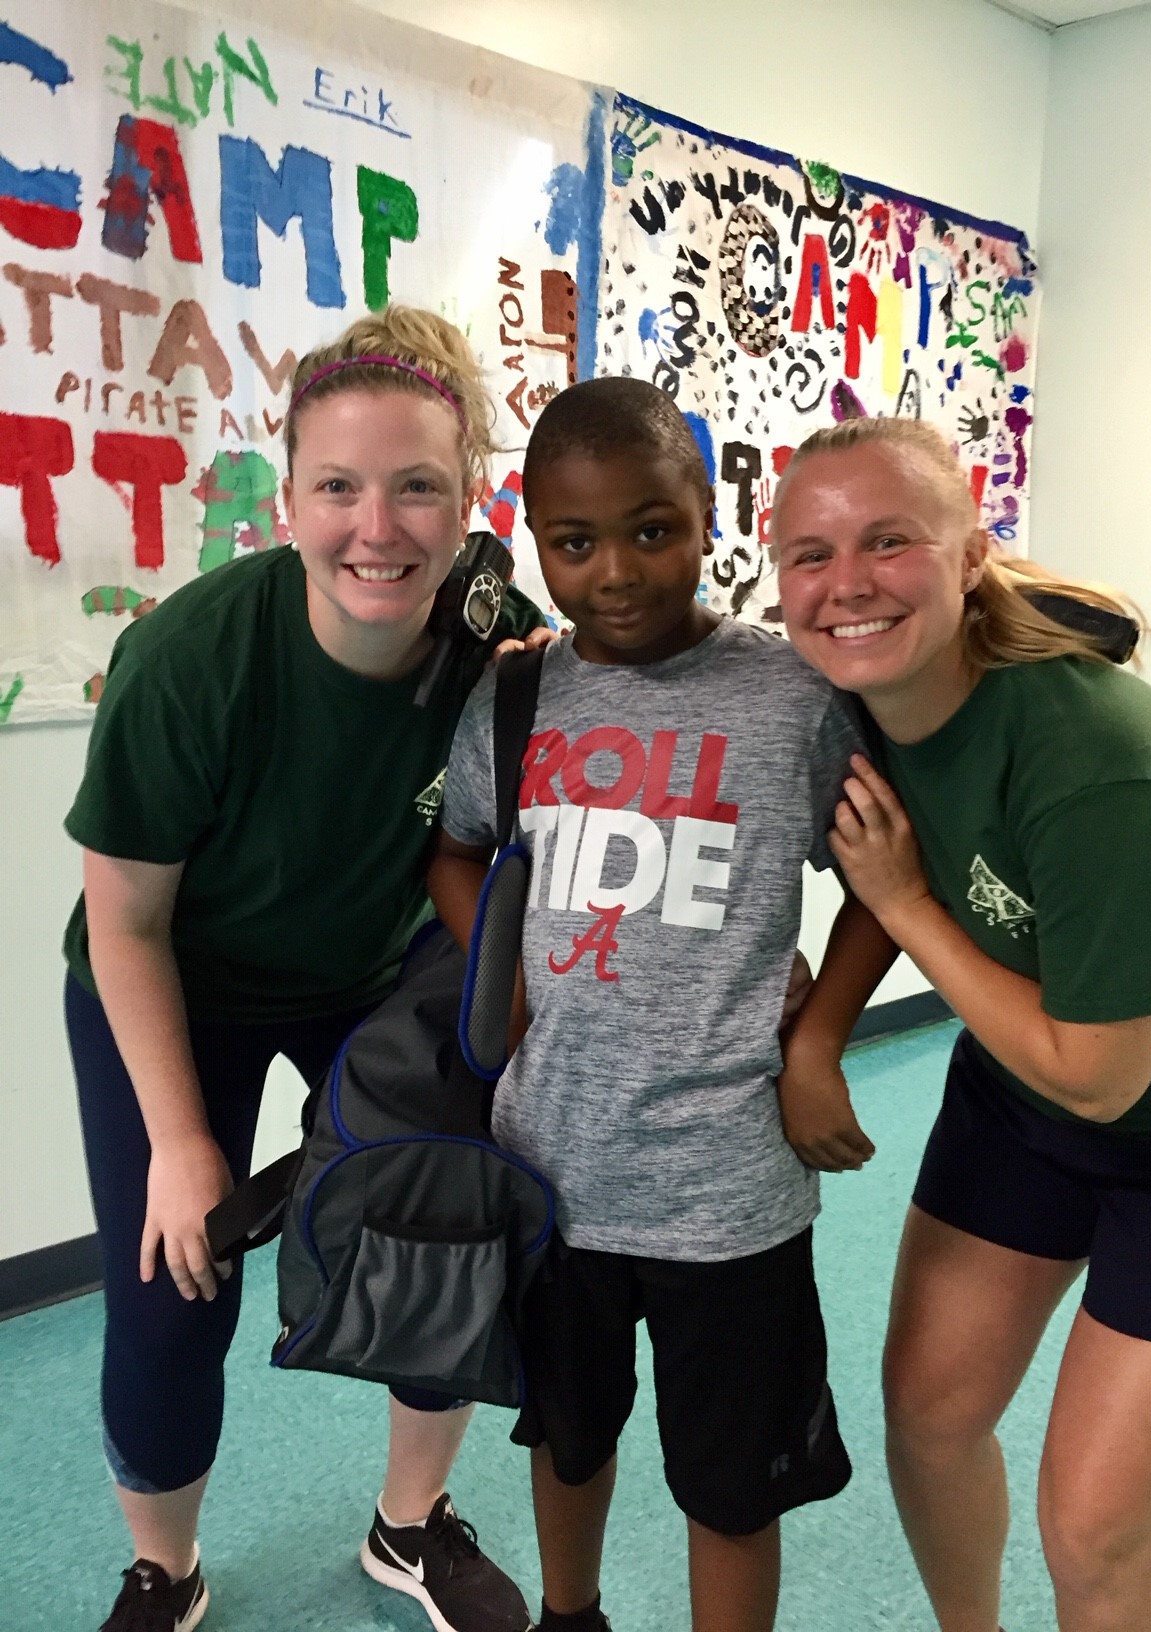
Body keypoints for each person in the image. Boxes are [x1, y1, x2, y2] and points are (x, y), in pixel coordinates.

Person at [63, 304, 551, 1632]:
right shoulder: (189, 663)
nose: (374, 528)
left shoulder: (497, 647)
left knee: (452, 1224)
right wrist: (178, 1139)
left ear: (468, 505)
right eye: (337, 486)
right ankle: (164, 1571)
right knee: (176, 1281)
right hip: (180, 977)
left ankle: (409, 1531)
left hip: (368, 963)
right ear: (286, 500)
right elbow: (126, 926)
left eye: (415, 489)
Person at [427, 377, 899, 1632]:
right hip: (554, 1167)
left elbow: (885, 883)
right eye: (574, 543)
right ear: (535, 539)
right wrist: (504, 974)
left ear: (708, 514)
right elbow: (456, 849)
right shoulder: (519, 699)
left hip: (729, 1188)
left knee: (733, 1488)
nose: (617, 571)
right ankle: (571, 1615)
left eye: (652, 529)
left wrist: (818, 1043)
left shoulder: (792, 699)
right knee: (568, 1436)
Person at [771, 415, 1151, 1632]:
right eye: (810, 553)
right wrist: (818, 1035)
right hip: (1021, 1106)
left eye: (888, 540)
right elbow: (884, 855)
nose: (846, 584)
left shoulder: (1100, 766)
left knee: (1094, 1532)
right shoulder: (861, 695)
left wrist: (912, 906)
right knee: (926, 1417)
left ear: (970, 550)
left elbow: (1100, 1076)